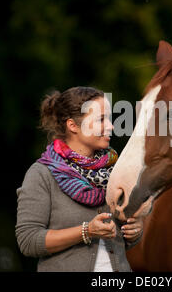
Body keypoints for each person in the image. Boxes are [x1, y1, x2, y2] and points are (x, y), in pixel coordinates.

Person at [15, 86, 143, 272]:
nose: (111, 126)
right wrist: (86, 231)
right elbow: (28, 241)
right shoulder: (41, 174)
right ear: (73, 125)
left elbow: (124, 240)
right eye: (101, 119)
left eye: (109, 118)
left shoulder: (117, 171)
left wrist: (135, 232)